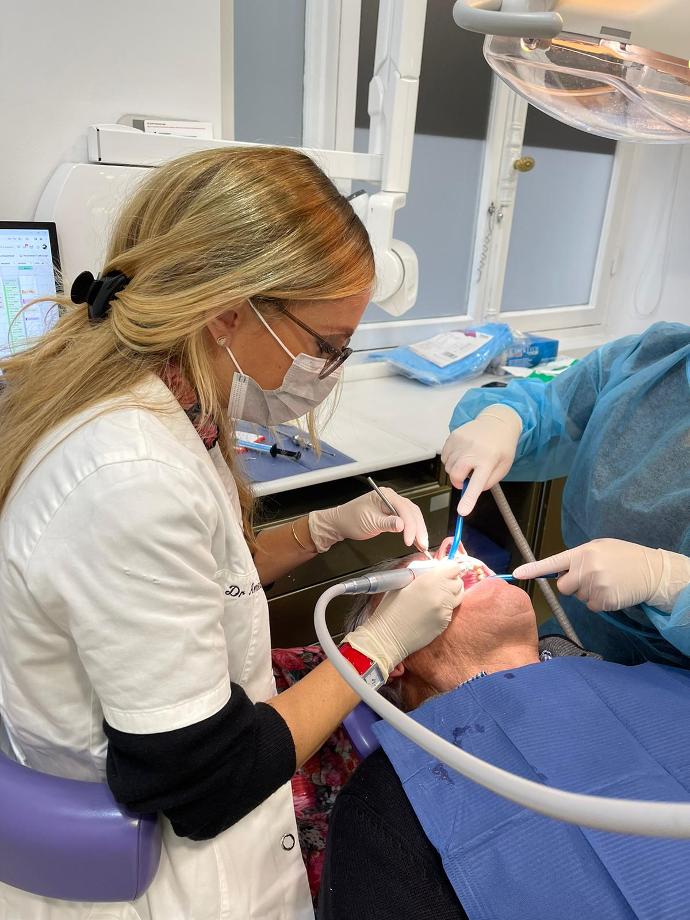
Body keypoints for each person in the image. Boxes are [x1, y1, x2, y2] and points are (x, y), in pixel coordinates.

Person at [0, 146, 464, 920]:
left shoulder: (173, 400)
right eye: (326, 345)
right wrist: (377, 647)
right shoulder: (129, 477)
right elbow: (204, 782)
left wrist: (322, 529)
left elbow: (205, 581)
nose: (330, 369)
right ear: (228, 310)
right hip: (148, 870)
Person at [319, 566, 690, 920]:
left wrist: (674, 586)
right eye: (426, 569)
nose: (453, 547)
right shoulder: (382, 804)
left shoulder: (651, 673)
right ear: (396, 654)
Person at [442, 323, 690, 665]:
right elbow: (548, 408)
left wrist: (671, 582)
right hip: (582, 634)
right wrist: (504, 418)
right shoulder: (653, 359)